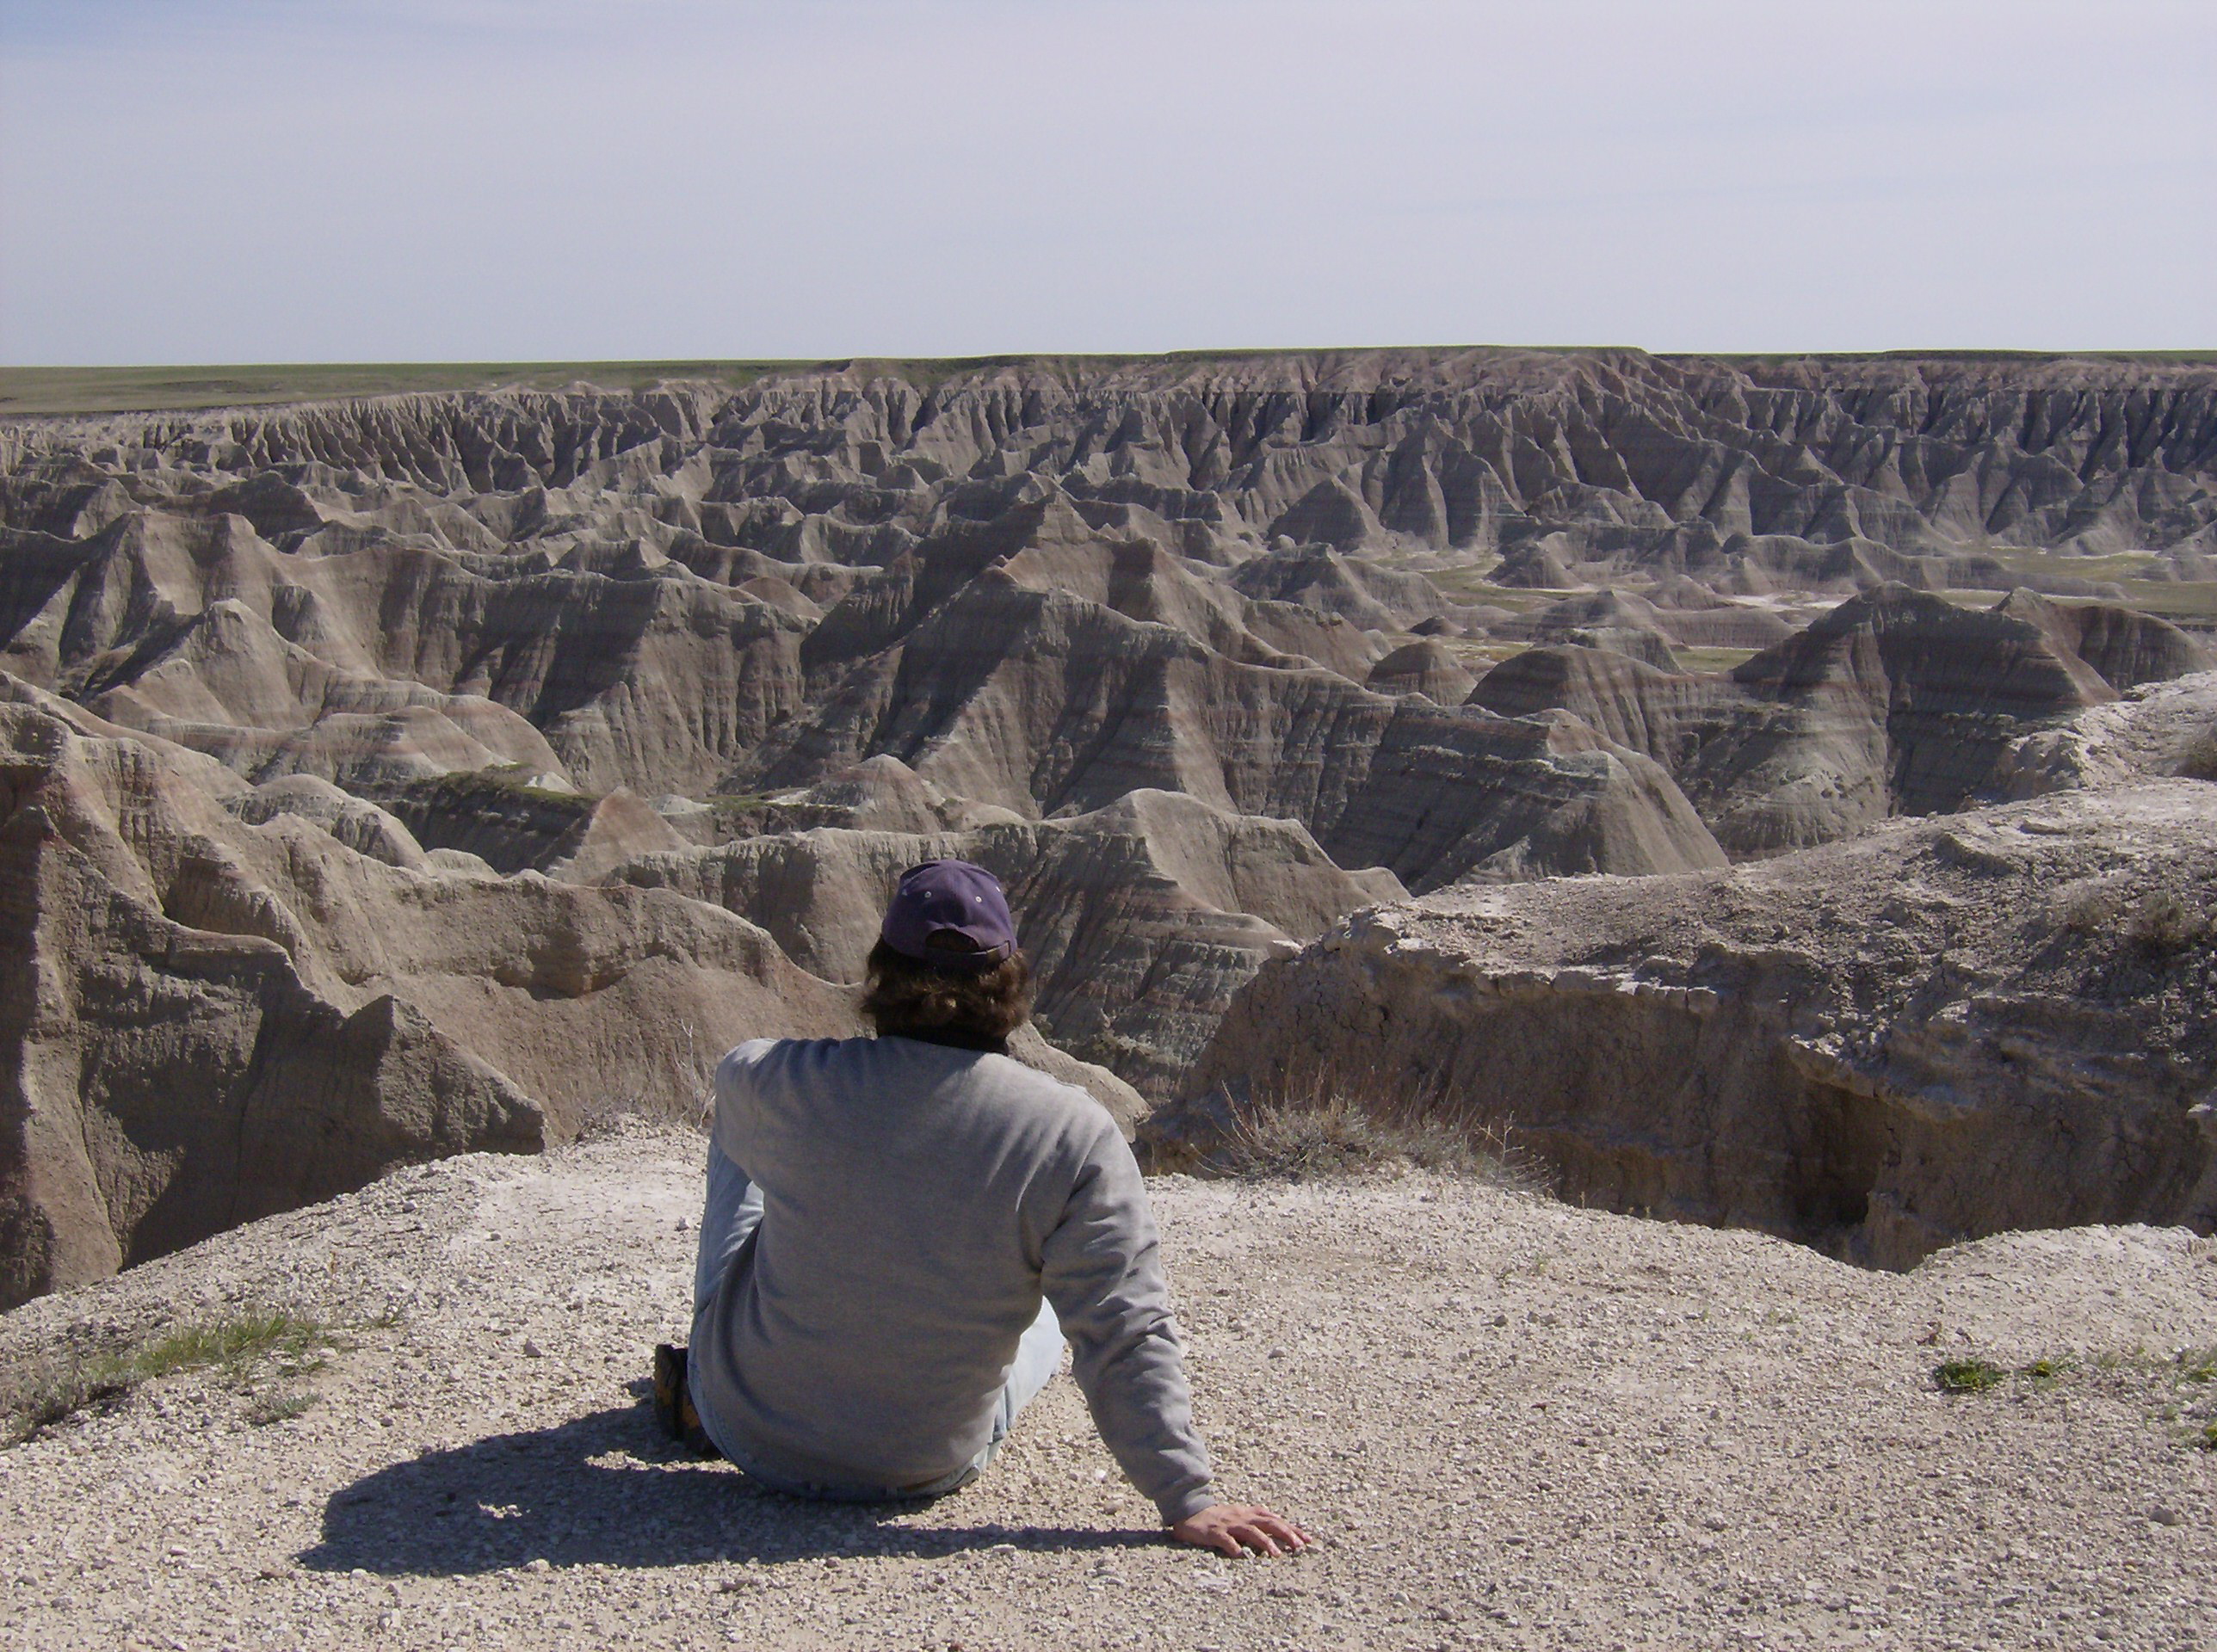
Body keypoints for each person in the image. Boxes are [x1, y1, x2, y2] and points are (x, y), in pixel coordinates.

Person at [654, 858, 1311, 1558]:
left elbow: (742, 1070)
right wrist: (1188, 1497)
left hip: (748, 1430)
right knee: (1054, 1312)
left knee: (747, 1155)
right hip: (926, 1463)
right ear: (1011, 980)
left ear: (881, 975)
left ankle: (708, 1371)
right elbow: (1125, 1327)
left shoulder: (776, 1082)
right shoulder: (1072, 1133)